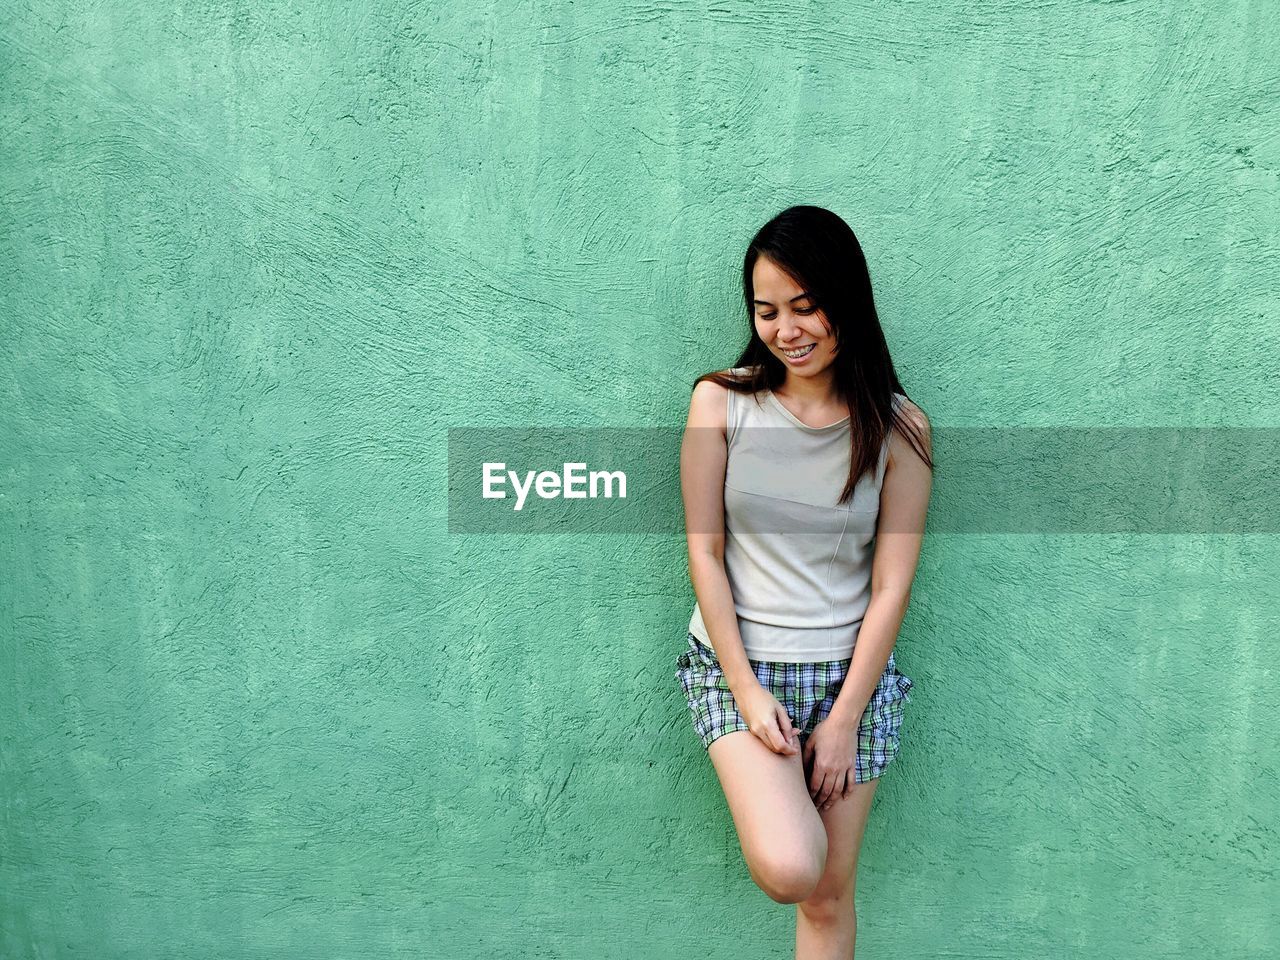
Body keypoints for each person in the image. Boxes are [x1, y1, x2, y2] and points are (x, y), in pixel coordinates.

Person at [675, 205, 934, 958]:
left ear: (844, 301)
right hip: (737, 670)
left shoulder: (900, 428)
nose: (787, 330)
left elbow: (891, 587)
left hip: (848, 681)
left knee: (828, 899)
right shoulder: (720, 402)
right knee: (793, 867)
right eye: (768, 311)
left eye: (806, 306)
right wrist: (748, 691)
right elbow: (704, 552)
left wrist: (847, 717)